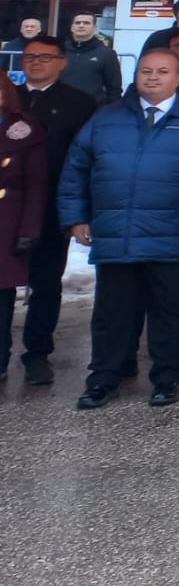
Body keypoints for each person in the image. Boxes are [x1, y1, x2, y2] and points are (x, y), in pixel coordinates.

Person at [61, 48, 179, 409]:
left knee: (172, 311)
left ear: (178, 78)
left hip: (174, 233)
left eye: (162, 71)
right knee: (112, 314)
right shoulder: (107, 117)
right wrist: (75, 217)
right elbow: (76, 168)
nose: (153, 77)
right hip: (117, 233)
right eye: (146, 71)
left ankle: (167, 377)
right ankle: (103, 378)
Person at [1, 36, 95, 386]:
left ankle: (37, 352)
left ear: (62, 62)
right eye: (29, 56)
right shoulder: (10, 96)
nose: (36, 62)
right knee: (2, 285)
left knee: (44, 283)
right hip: (9, 211)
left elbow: (86, 159)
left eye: (45, 56)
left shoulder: (80, 103)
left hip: (54, 205)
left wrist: (79, 209)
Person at [0, 83, 50, 378]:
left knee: (0, 296)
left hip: (6, 222)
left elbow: (36, 185)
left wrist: (29, 228)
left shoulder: (24, 130)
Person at [60, 11, 122, 105]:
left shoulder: (107, 54)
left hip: (93, 109)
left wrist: (110, 110)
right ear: (71, 27)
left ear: (94, 28)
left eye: (86, 23)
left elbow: (114, 89)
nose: (81, 25)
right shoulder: (59, 51)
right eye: (77, 23)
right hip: (60, 107)